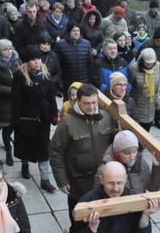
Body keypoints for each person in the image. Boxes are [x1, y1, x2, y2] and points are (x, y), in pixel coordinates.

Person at [49, 84, 117, 224]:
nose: (91, 107)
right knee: (78, 215)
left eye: (94, 103)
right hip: (78, 181)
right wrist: (61, 180)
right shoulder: (67, 123)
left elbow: (114, 143)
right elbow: (55, 151)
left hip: (101, 178)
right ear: (77, 101)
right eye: (86, 103)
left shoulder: (106, 117)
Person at [12, 46, 59, 192]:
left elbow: (51, 96)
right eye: (33, 59)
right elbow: (16, 100)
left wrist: (53, 113)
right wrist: (16, 120)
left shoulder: (45, 74)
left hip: (43, 118)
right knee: (25, 146)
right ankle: (25, 165)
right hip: (26, 118)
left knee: (43, 149)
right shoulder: (20, 76)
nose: (37, 62)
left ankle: (45, 179)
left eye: (38, 58)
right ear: (27, 61)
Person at [0, 39, 20, 166]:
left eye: (10, 49)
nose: (8, 52)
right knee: (7, 127)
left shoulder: (16, 61)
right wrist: (11, 90)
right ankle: (8, 150)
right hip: (4, 102)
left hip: (17, 100)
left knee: (15, 125)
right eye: (5, 49)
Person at [128, 48, 160, 133]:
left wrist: (158, 95)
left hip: (152, 102)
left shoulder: (158, 65)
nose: (150, 64)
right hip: (138, 102)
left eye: (152, 62)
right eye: (147, 62)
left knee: (148, 126)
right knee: (138, 129)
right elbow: (129, 85)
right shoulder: (134, 67)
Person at [54, 23, 93, 96]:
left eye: (78, 30)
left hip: (83, 81)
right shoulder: (61, 45)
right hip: (67, 82)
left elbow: (90, 64)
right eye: (74, 30)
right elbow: (57, 65)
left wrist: (89, 80)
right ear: (69, 32)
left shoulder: (86, 44)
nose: (76, 33)